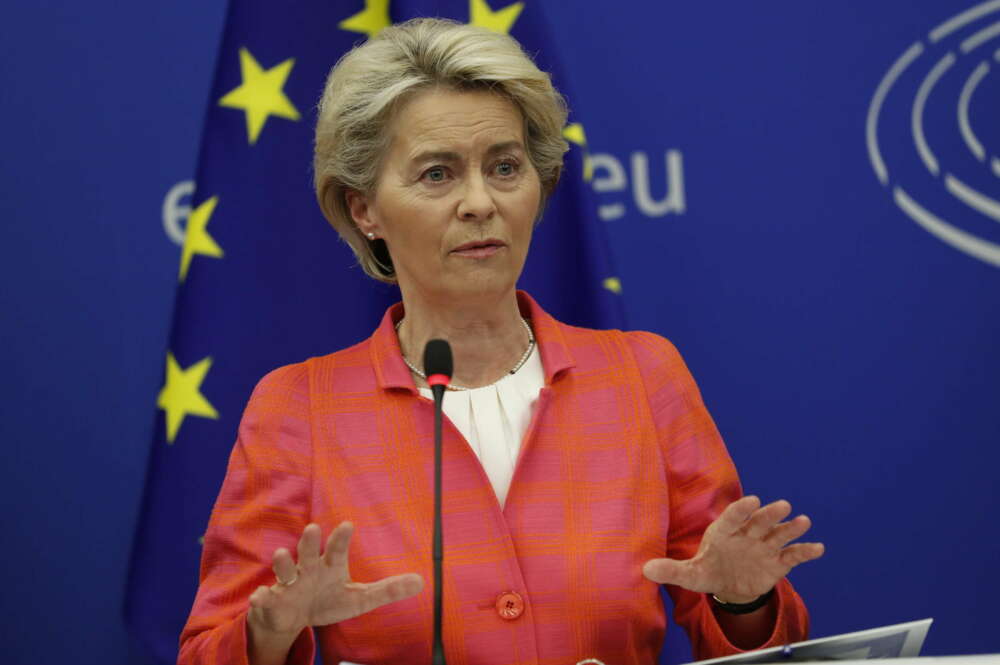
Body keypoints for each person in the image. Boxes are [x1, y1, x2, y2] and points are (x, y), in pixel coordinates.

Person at [178, 17, 824, 665]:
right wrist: (270, 631)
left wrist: (741, 599)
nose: (480, 201)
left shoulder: (643, 375)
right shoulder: (299, 408)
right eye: (437, 174)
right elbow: (208, 648)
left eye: (505, 166)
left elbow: (755, 640)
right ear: (363, 208)